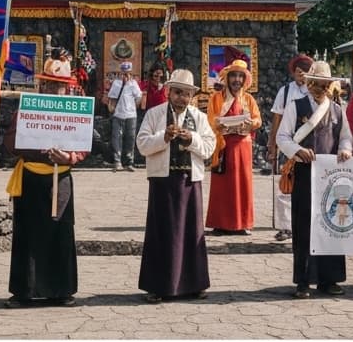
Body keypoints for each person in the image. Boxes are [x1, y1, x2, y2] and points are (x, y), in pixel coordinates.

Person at [3, 70, 87, 305]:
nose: (53, 90)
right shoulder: (25, 110)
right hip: (30, 177)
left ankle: (61, 291)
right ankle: (24, 291)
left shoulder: (76, 112)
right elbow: (10, 143)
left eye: (59, 86)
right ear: (41, 87)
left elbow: (83, 146)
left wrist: (69, 156)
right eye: (49, 85)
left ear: (67, 89)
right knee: (26, 234)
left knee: (60, 232)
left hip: (60, 180)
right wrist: (36, 148)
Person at [135, 69, 216, 303]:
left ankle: (194, 284)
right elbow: (142, 145)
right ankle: (157, 285)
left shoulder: (199, 118)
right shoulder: (155, 114)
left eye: (186, 94)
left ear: (191, 96)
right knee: (161, 233)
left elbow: (210, 146)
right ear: (169, 92)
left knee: (192, 233)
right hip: (162, 181)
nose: (181, 98)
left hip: (190, 182)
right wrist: (164, 137)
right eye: (178, 92)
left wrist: (191, 139)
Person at [278, 60, 353, 299]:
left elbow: (346, 138)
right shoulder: (295, 106)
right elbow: (283, 137)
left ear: (330, 86)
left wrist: (345, 150)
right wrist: (297, 151)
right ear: (308, 83)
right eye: (315, 84)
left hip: (330, 176)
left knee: (331, 225)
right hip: (304, 173)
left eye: (323, 84)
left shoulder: (338, 110)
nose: (319, 88)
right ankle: (303, 280)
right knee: (304, 227)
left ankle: (329, 279)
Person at [206, 59, 261, 236]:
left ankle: (242, 223)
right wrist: (220, 125)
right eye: (234, 76)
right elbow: (211, 118)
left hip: (243, 147)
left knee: (242, 184)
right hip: (224, 146)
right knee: (222, 186)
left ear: (244, 79)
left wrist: (250, 123)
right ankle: (219, 224)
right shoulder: (216, 98)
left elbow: (258, 119)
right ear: (227, 78)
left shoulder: (248, 99)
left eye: (240, 76)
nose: (237, 79)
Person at [265, 54, 313, 241]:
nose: (302, 75)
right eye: (298, 71)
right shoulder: (285, 91)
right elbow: (276, 118)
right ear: (293, 73)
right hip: (288, 145)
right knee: (286, 185)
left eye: (306, 71)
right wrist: (272, 144)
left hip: (309, 145)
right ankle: (286, 227)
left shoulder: (315, 91)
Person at [107, 61, 144, 171]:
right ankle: (117, 161)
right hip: (118, 114)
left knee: (130, 138)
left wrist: (133, 107)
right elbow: (112, 98)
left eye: (128, 73)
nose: (125, 75)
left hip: (131, 115)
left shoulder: (134, 84)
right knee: (117, 138)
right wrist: (112, 109)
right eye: (124, 73)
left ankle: (129, 162)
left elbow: (138, 98)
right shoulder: (116, 83)